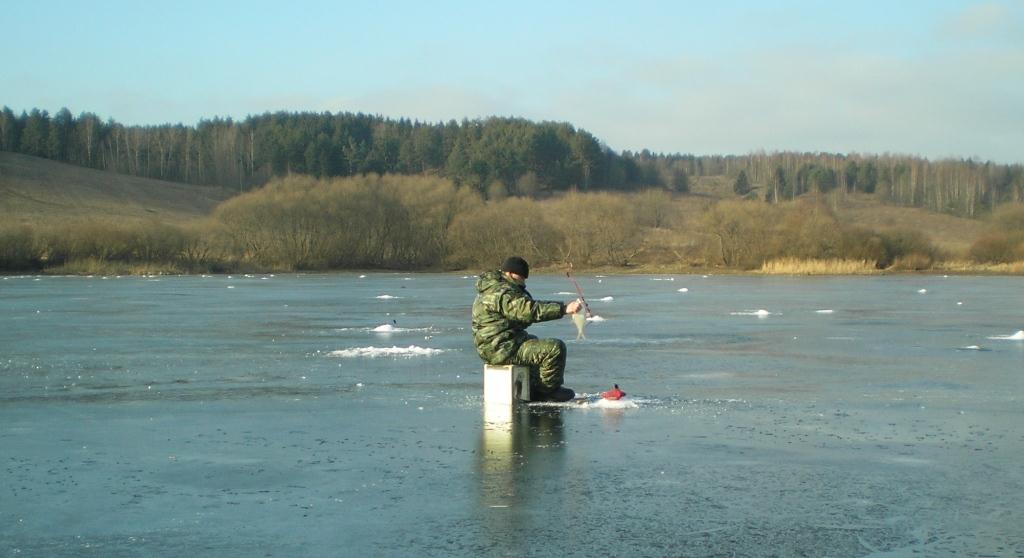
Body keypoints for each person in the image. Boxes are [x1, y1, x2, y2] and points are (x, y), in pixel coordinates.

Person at [472, 256, 583, 402]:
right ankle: (547, 391)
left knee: (533, 343)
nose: (523, 282)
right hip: (502, 348)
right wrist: (563, 309)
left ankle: (533, 386)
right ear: (510, 273)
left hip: (497, 345)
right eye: (521, 277)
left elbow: (524, 311)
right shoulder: (502, 292)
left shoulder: (493, 288)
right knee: (554, 348)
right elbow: (528, 311)